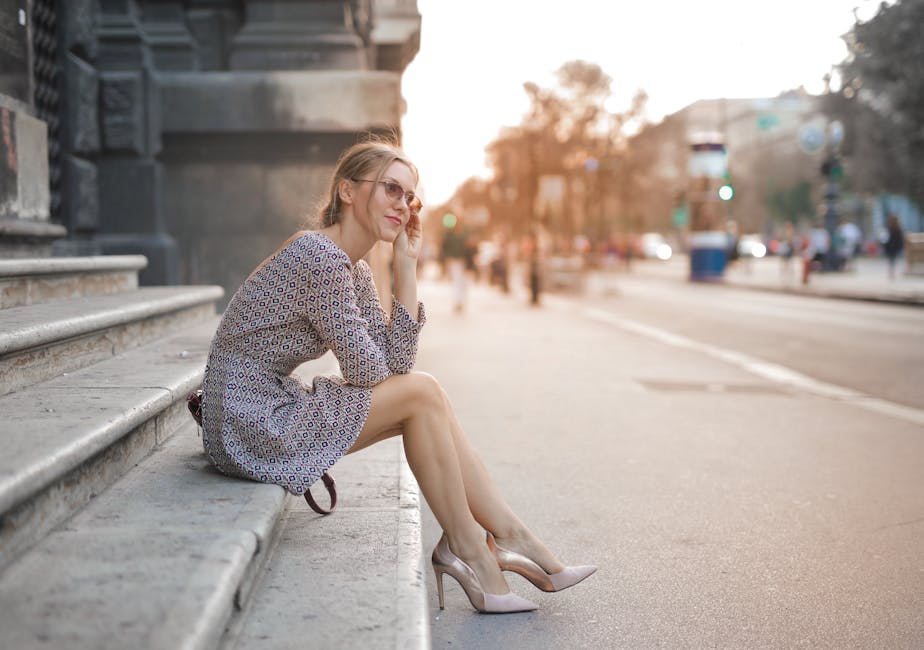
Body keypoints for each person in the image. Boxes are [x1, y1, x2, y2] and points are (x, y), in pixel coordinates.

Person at [199, 140, 595, 615]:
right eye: (391, 190)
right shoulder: (317, 257)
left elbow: (396, 366)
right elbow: (370, 373)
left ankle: (500, 540)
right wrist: (391, 359)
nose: (403, 206)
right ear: (347, 190)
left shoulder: (356, 270)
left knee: (426, 396)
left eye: (410, 197)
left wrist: (406, 264)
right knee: (423, 394)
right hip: (246, 417)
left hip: (264, 407)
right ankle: (480, 547)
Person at [883, 213, 905, 280]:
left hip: (890, 247)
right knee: (893, 259)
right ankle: (892, 272)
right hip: (894, 247)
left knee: (891, 259)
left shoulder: (889, 228)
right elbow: (901, 239)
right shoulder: (898, 228)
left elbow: (885, 238)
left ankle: (891, 272)